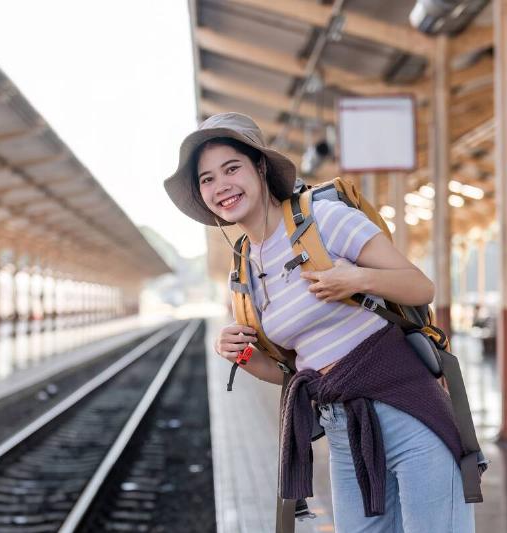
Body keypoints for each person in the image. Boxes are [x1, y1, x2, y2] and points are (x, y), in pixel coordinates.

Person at [163, 112, 475, 532]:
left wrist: (356, 278)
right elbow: (293, 372)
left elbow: (420, 287)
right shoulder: (244, 274)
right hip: (344, 430)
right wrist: (240, 355)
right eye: (206, 179)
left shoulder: (323, 219)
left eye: (231, 168)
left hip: (406, 409)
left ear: (259, 168)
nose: (221, 186)